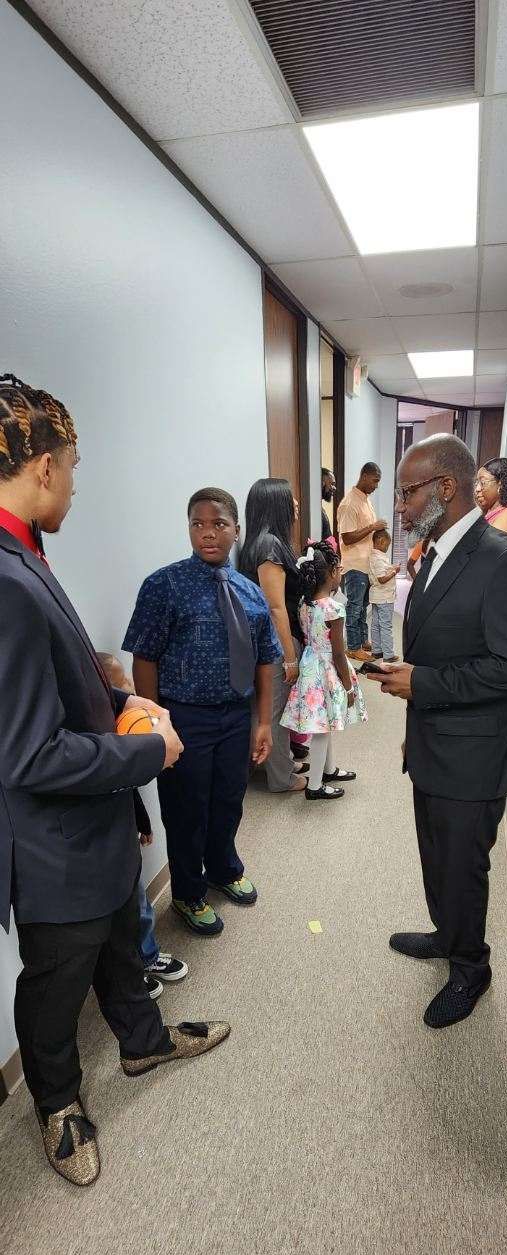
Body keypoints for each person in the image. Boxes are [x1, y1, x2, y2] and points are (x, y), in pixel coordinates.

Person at [0, 375, 230, 1186]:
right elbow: (25, 755)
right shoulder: (3, 576)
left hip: (91, 825)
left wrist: (121, 693)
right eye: (72, 463)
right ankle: (57, 1103)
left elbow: (52, 684)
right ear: (40, 468)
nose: (75, 479)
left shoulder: (24, 554)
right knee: (57, 981)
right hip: (51, 841)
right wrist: (146, 754)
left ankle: (143, 1042)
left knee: (118, 947)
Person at [365, 433, 507, 1029]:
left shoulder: (506, 558)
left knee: (464, 866)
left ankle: (472, 967)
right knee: (436, 854)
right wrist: (413, 697)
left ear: (445, 487)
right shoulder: (435, 552)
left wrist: (426, 684)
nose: (400, 507)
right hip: (433, 742)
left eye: (406, 493)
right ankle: (447, 934)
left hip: (474, 754)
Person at [123, 487, 278, 937]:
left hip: (234, 716)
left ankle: (224, 869)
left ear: (236, 530)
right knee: (187, 809)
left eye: (218, 524)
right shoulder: (163, 585)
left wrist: (263, 721)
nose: (207, 534)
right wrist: (157, 723)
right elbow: (144, 657)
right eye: (197, 524)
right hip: (183, 717)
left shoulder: (249, 592)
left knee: (229, 800)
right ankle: (188, 894)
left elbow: (268, 658)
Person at [97, 653, 189, 999]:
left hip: (124, 836)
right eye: (123, 686)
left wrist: (143, 822)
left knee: (140, 903)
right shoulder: (100, 746)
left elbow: (129, 792)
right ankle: (129, 970)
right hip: (97, 847)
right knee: (116, 916)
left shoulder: (126, 739)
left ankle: (148, 956)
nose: (131, 692)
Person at [281, 541, 367, 801]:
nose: (340, 573)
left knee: (324, 724)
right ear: (331, 573)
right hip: (327, 670)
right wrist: (349, 687)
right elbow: (339, 654)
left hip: (310, 666)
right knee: (321, 730)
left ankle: (328, 770)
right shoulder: (333, 608)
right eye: (339, 568)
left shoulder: (305, 605)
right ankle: (314, 786)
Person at [239, 477, 308, 793]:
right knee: (274, 713)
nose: (296, 504)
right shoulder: (269, 545)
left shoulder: (264, 541)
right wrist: (290, 658)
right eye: (291, 498)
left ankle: (276, 764)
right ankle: (281, 778)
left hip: (267, 642)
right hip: (277, 643)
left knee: (269, 709)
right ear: (276, 504)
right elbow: (275, 607)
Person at [336, 461, 387, 662]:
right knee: (354, 607)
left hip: (367, 564)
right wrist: (373, 527)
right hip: (355, 565)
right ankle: (353, 647)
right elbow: (347, 537)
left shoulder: (365, 500)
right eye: (375, 481)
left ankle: (362, 641)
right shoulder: (349, 503)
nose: (376, 485)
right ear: (365, 476)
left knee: (363, 606)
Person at [475, 457, 507, 540]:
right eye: (477, 483)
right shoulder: (487, 513)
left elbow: (490, 547)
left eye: (483, 483)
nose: (477, 489)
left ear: (501, 485)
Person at [368, 527, 399, 663]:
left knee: (375, 624)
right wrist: (395, 571)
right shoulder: (378, 558)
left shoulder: (374, 556)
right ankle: (388, 654)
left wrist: (391, 568)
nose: (387, 547)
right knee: (386, 625)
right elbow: (382, 578)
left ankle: (377, 650)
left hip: (377, 597)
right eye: (387, 544)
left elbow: (381, 572)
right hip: (385, 597)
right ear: (380, 541)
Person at [321, 467, 337, 547]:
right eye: (332, 484)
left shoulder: (320, 510)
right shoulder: (315, 512)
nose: (334, 488)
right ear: (322, 483)